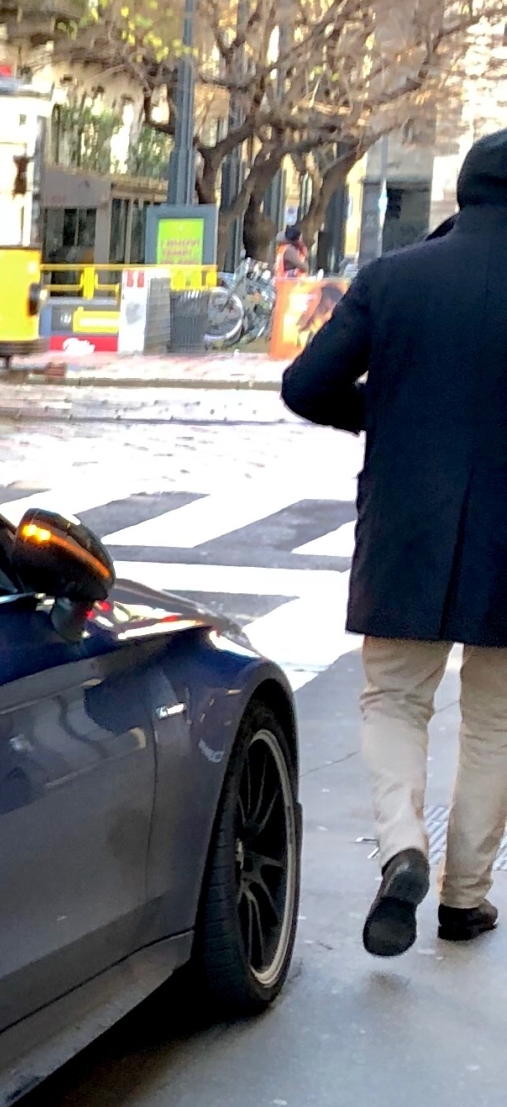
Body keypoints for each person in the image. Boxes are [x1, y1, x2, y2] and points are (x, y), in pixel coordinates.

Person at [282, 127, 507, 953]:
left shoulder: (394, 276)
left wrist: (391, 413)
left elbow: (305, 387)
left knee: (395, 700)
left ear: (463, 193)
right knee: (497, 720)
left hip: (408, 525)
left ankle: (404, 845)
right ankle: (465, 896)